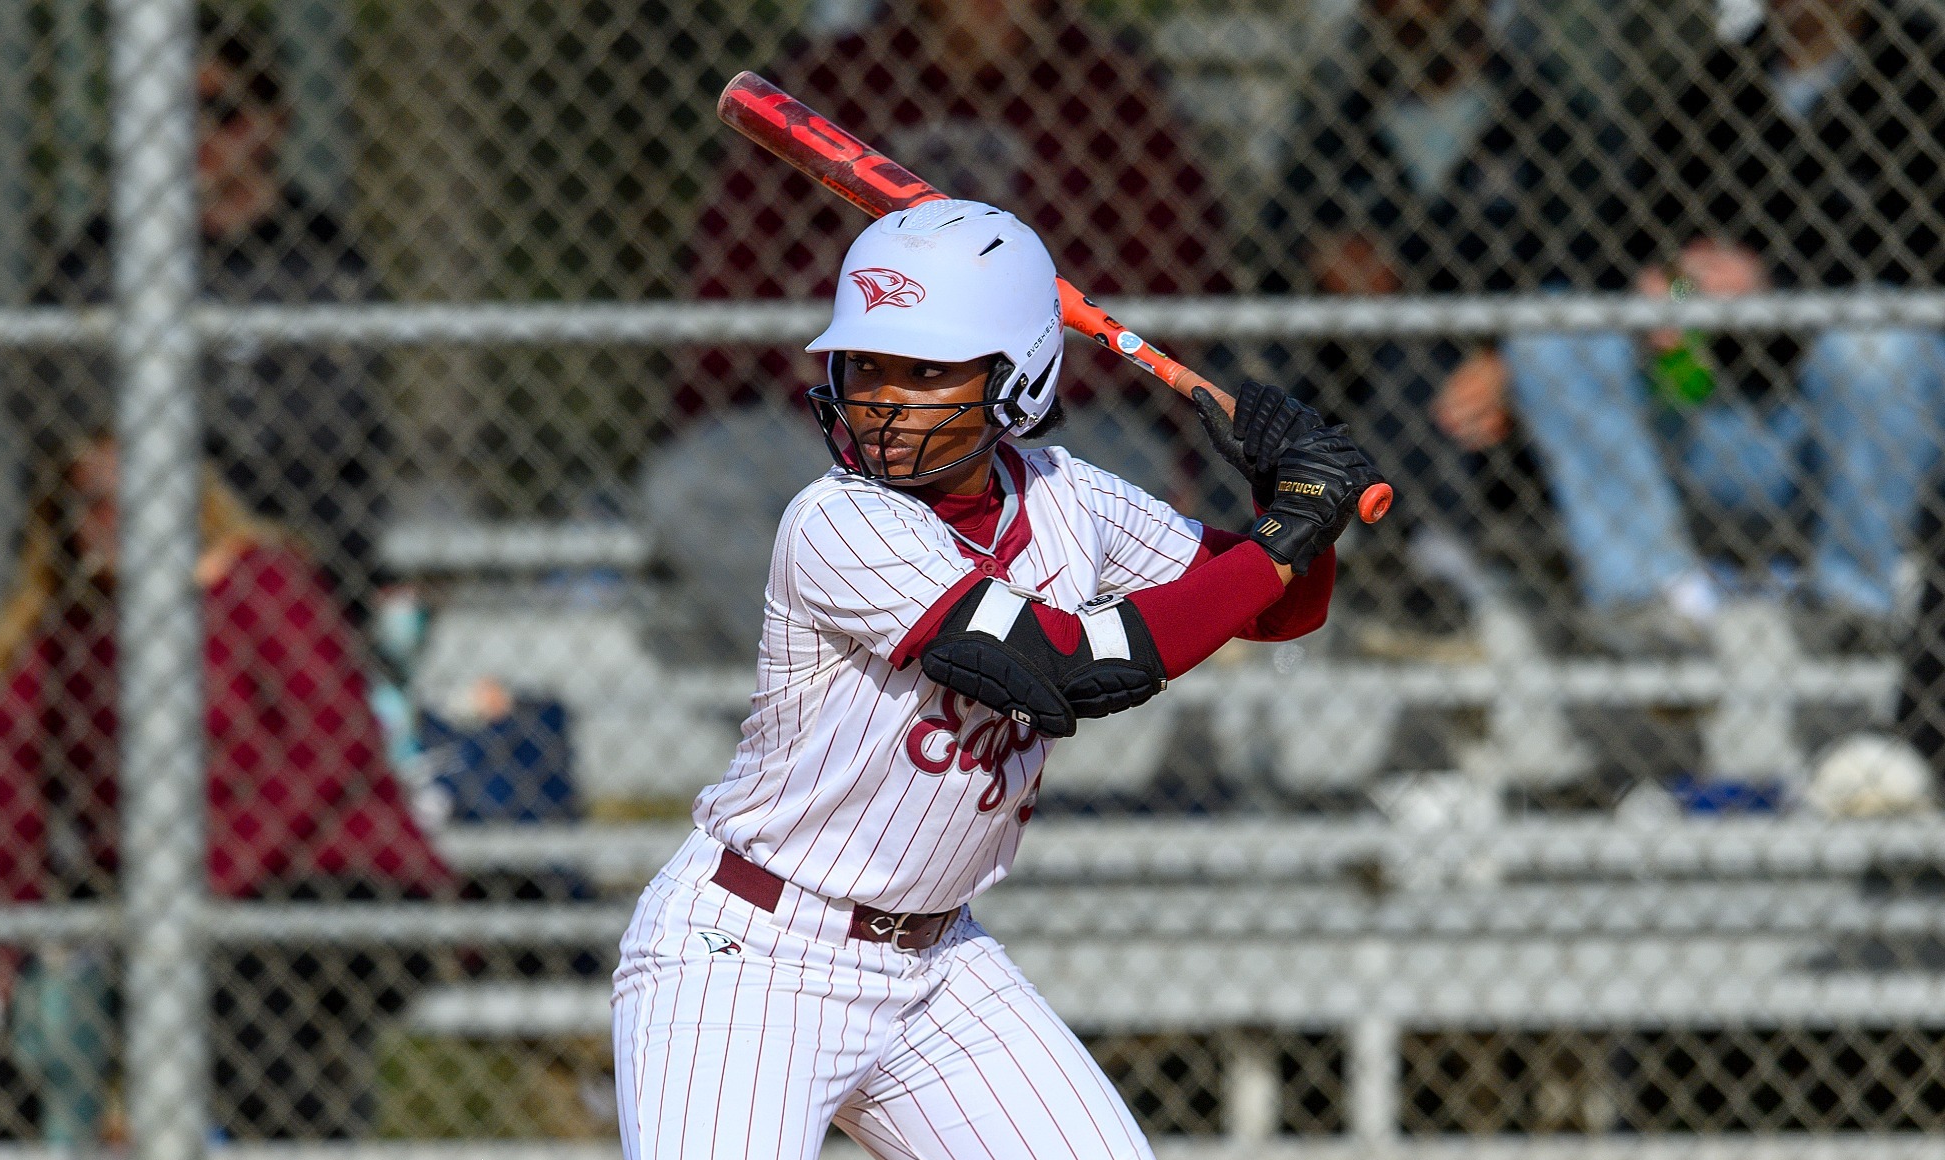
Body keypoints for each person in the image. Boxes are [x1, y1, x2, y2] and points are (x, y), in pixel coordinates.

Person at [524, 199, 1375, 1160]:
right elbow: (1064, 671)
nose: (883, 403)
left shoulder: (1065, 496)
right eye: (866, 369)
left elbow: (1261, 613)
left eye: (927, 374)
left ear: (1017, 378)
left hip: (931, 963)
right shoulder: (838, 523)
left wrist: (1290, 517)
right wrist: (1283, 536)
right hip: (751, 954)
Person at [0, 427, 451, 1160]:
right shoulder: (74, 633)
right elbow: (20, 799)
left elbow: (332, 743)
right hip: (176, 928)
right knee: (50, 1044)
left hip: (341, 882)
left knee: (251, 992)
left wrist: (206, 884)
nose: (107, 523)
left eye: (127, 498)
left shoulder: (255, 584)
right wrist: (20, 960)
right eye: (84, 505)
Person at [650, 0, 1234, 664]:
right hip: (848, 425)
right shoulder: (840, 80)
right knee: (694, 485)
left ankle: (1010, 680)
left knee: (1142, 491)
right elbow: (733, 267)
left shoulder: (1109, 91)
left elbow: (1177, 267)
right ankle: (874, 682)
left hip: (1043, 432)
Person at [1499, 0, 1945, 652]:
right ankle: (1656, 598)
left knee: (1873, 344)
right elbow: (1631, 234)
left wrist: (1774, 282)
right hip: (1714, 410)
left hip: (1860, 437)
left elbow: (1919, 244)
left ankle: (1855, 602)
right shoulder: (1722, 81)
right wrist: (1668, 289)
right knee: (1553, 334)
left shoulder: (1921, 74)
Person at [1272, 0, 1643, 651]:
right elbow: (1274, 245)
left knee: (1437, 360)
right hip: (1363, 383)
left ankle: (1432, 566)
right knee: (1381, 355)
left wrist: (1511, 360)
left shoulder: (1546, 117)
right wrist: (1319, 258)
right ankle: (1318, 563)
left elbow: (1597, 264)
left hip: (1504, 404)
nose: (1414, 13)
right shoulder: (1338, 123)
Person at [50, 17, 392, 628]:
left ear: (275, 122)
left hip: (288, 565)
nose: (199, 134)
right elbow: (74, 420)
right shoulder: (101, 255)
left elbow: (326, 432)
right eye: (173, 112)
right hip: (131, 566)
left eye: (223, 110)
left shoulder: (321, 258)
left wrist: (189, 447)